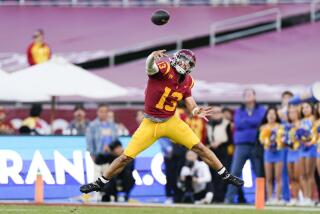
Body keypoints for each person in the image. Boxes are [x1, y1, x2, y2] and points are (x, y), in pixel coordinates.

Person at [80, 49, 243, 195]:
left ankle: (225, 175)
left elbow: (189, 99)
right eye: (183, 60)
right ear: (176, 59)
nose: (184, 64)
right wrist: (151, 58)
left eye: (188, 63)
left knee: (200, 147)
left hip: (171, 121)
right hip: (150, 123)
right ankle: (100, 183)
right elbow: (150, 68)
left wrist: (195, 110)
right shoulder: (164, 68)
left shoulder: (188, 81)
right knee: (125, 158)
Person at [225, 88, 266, 203]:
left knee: (259, 172)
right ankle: (229, 199)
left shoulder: (261, 109)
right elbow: (238, 123)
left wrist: (246, 122)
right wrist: (252, 123)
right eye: (246, 94)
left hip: (256, 145)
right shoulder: (239, 110)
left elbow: (260, 121)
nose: (248, 96)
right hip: (241, 145)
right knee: (234, 172)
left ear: (254, 96)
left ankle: (261, 199)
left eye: (250, 94)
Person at [85, 104, 118, 201]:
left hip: (110, 156)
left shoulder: (112, 125)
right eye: (101, 111)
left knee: (108, 176)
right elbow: (89, 141)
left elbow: (116, 139)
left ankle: (108, 195)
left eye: (105, 111)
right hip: (98, 155)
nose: (103, 113)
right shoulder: (92, 125)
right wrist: (92, 154)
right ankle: (96, 196)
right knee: (97, 175)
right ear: (97, 112)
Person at [206, 105, 233, 202]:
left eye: (218, 112)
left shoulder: (227, 124)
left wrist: (220, 142)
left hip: (223, 151)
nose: (216, 114)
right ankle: (213, 196)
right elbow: (207, 139)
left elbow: (230, 140)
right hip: (212, 151)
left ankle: (220, 197)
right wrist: (210, 144)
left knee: (222, 175)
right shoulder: (208, 124)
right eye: (214, 112)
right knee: (212, 174)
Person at [259, 107, 285, 205]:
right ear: (266, 115)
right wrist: (268, 143)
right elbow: (261, 140)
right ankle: (270, 198)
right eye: (269, 113)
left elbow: (283, 139)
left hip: (278, 153)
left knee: (278, 177)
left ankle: (277, 198)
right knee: (269, 177)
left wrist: (277, 142)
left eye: (273, 113)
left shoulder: (280, 127)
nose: (271, 115)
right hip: (268, 153)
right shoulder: (263, 127)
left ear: (276, 116)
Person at [280, 105, 302, 206]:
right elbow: (283, 139)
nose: (292, 114)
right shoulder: (287, 126)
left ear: (298, 113)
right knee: (291, 176)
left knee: (298, 176)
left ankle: (302, 196)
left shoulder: (301, 124)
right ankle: (294, 197)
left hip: (298, 151)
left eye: (294, 112)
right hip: (289, 152)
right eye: (290, 112)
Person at [298, 102, 317, 206]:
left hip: (311, 147)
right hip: (302, 148)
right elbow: (298, 134)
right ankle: (305, 197)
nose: (305, 109)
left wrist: (311, 141)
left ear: (311, 108)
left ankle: (310, 197)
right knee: (303, 174)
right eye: (303, 107)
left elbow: (316, 133)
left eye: (307, 107)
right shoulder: (301, 121)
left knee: (310, 173)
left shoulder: (314, 119)